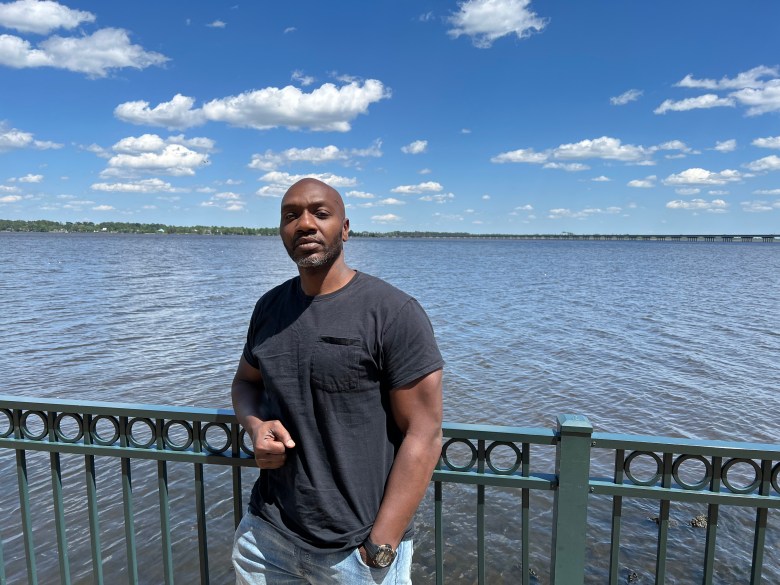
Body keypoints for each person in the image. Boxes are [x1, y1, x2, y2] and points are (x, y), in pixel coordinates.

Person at [231, 178, 444, 584]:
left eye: (320, 213)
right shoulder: (270, 307)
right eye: (291, 216)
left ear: (345, 228)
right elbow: (245, 383)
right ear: (280, 232)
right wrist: (256, 426)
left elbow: (425, 432)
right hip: (267, 538)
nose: (305, 224)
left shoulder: (393, 312)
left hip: (357, 552)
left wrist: (380, 547)